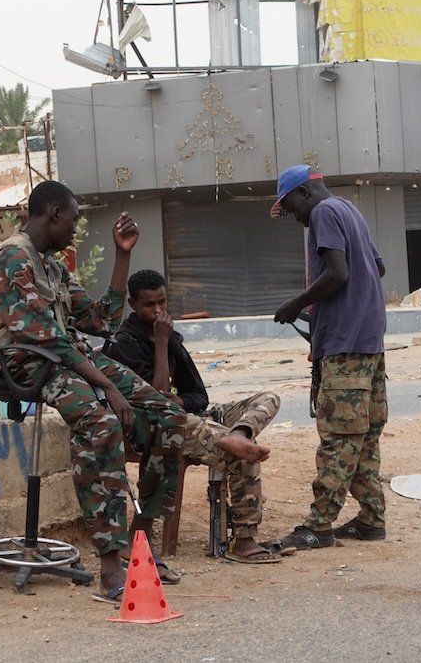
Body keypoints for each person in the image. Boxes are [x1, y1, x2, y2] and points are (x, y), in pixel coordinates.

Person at [0, 181, 186, 602]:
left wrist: (123, 255)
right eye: (72, 220)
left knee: (166, 415)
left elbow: (100, 319)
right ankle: (109, 570)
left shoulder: (52, 266)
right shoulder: (13, 256)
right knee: (100, 423)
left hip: (60, 356)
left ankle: (139, 542)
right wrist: (107, 386)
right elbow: (46, 339)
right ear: (53, 213)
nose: (75, 229)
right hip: (19, 363)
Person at [103, 269, 282, 563]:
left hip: (191, 417)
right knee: (240, 454)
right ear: (133, 304)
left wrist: (180, 399)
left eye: (162, 302)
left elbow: (199, 395)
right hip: (156, 427)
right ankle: (246, 540)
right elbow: (155, 399)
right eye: (150, 305)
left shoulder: (170, 337)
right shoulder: (125, 343)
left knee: (267, 399)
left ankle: (239, 434)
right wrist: (161, 344)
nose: (158, 311)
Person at [270, 165, 389, 550]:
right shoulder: (350, 210)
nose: (296, 218)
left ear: (304, 193)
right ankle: (371, 520)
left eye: (291, 208)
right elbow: (377, 267)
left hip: (344, 345)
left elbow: (338, 273)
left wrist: (295, 304)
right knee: (364, 438)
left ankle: (318, 526)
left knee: (338, 438)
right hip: (369, 339)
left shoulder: (322, 213)